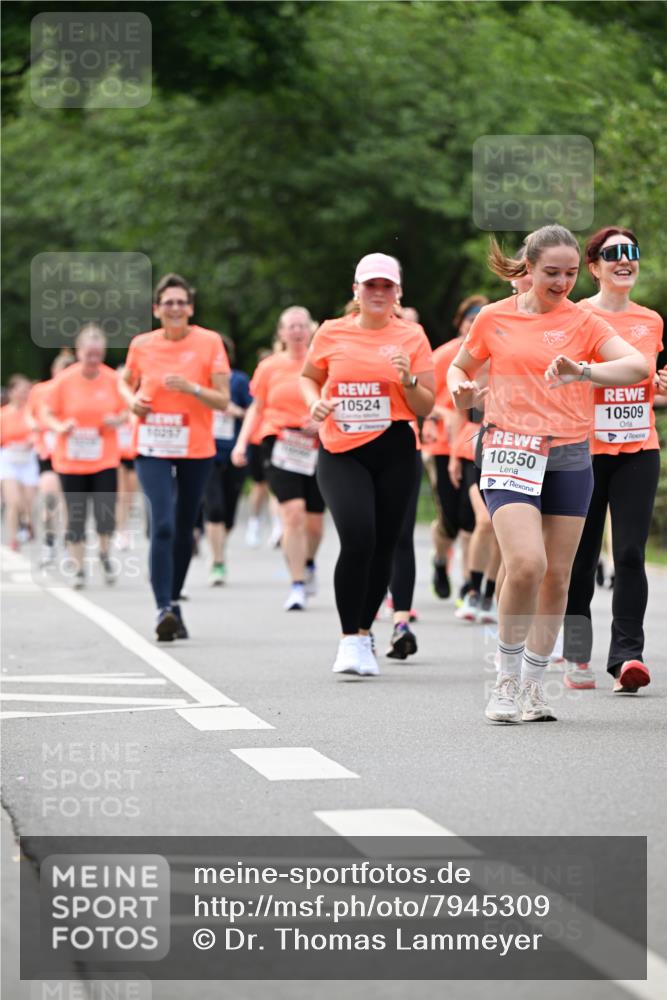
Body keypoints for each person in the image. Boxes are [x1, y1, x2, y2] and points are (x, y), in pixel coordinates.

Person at [447, 224, 649, 724]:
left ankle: (534, 688)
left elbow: (637, 366)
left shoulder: (583, 321)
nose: (562, 282)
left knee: (558, 575)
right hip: (509, 447)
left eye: (571, 273)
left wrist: (583, 371)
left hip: (569, 454)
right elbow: (458, 366)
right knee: (528, 564)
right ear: (529, 268)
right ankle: (506, 680)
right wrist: (462, 387)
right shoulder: (493, 318)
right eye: (551, 273)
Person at [300, 253, 435, 676]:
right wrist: (314, 403)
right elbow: (308, 376)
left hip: (395, 444)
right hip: (342, 447)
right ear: (355, 291)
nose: (378, 293)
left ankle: (363, 632)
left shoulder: (412, 336)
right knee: (358, 536)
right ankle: (348, 639)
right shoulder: (330, 331)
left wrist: (408, 379)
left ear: (398, 293)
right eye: (370, 285)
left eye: (386, 286)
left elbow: (425, 405)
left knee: (385, 544)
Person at [562, 228, 663, 693]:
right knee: (581, 559)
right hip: (583, 450)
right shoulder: (576, 315)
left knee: (628, 554)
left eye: (631, 253)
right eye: (613, 254)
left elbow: (645, 387)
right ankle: (577, 653)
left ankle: (628, 656)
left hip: (638, 448)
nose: (625, 260)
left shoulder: (651, 321)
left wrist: (659, 393)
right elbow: (560, 377)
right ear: (594, 266)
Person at [119, 273, 230, 640]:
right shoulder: (142, 345)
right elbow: (124, 380)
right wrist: (131, 400)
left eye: (182, 302)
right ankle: (162, 607)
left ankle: (173, 600)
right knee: (163, 523)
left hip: (195, 447)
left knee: (185, 528)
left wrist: (192, 388)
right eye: (168, 302)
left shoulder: (210, 342)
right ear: (157, 309)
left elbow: (223, 400)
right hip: (151, 445)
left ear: (191, 308)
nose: (175, 308)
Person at [232, 306, 325, 610]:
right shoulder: (269, 367)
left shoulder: (324, 363)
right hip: (279, 442)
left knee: (314, 522)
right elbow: (256, 409)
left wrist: (323, 421)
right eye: (291, 326)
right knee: (293, 514)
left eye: (301, 325)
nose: (297, 331)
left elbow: (336, 400)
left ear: (311, 329)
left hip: (317, 444)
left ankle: (308, 563)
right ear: (281, 333)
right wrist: (241, 444)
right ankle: (296, 584)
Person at [45, 326, 127, 588]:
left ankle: (104, 553)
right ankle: (79, 568)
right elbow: (47, 413)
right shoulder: (64, 381)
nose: (94, 360)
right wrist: (61, 427)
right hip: (71, 460)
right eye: (89, 354)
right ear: (78, 351)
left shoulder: (113, 379)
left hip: (104, 458)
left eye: (98, 354)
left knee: (105, 514)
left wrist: (117, 419)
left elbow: (128, 409)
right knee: (75, 515)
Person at [203, 333, 252, 585]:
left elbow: (254, 413)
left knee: (229, 514)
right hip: (206, 452)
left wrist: (233, 410)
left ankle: (219, 547)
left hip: (234, 452)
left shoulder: (240, 381)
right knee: (215, 508)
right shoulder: (200, 382)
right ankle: (218, 560)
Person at [26, 352, 74, 565]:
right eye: (61, 369)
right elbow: (29, 413)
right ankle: (49, 542)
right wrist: (34, 424)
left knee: (66, 503)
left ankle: (65, 544)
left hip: (70, 453)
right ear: (54, 371)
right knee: (49, 497)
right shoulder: (41, 390)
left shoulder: (77, 391)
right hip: (46, 451)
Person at [0, 374, 39, 551]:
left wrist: (32, 439)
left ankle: (27, 522)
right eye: (21, 390)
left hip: (28, 460)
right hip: (9, 459)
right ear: (12, 391)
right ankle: (13, 538)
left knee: (27, 503)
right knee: (13, 501)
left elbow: (38, 430)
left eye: (27, 391)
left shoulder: (31, 412)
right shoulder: (3, 413)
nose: (25, 394)